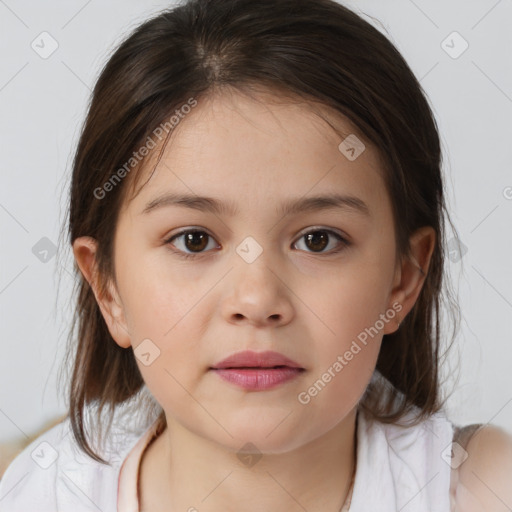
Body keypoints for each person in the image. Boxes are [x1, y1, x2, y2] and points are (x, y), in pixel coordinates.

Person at [1, 0, 511, 510]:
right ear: (107, 288)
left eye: (318, 239)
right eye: (194, 240)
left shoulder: (484, 488)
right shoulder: (32, 493)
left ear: (403, 279)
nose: (257, 299)